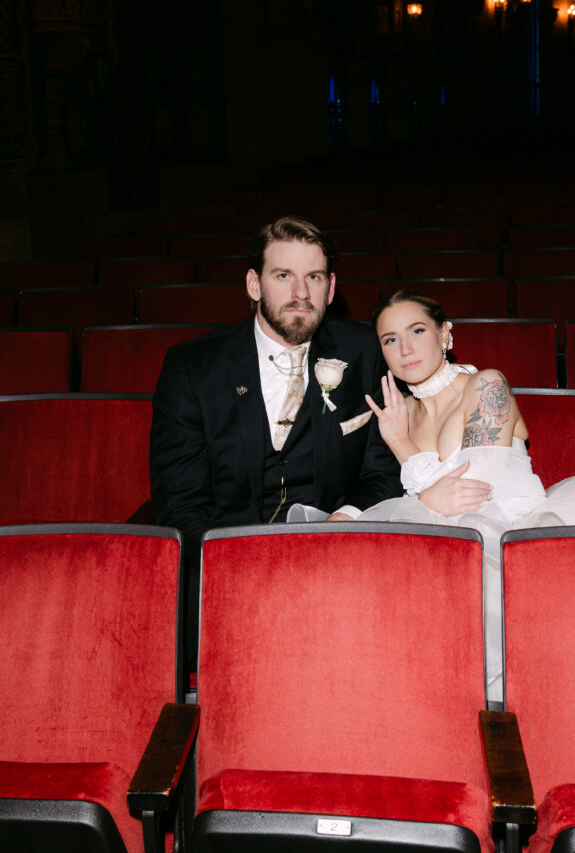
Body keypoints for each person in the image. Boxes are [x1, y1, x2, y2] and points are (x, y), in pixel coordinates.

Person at [294, 289, 575, 702]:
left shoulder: (486, 384)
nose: (405, 348)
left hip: (510, 538)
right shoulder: (398, 412)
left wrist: (402, 445)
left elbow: (469, 495)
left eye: (417, 330)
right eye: (390, 340)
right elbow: (404, 492)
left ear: (446, 334)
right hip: (447, 547)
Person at [150, 216, 402, 662]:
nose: (300, 293)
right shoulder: (192, 367)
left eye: (314, 277)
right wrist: (241, 570)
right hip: (224, 568)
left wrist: (344, 520)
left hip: (336, 561)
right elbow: (180, 502)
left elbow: (383, 472)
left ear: (330, 287)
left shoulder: (365, 352)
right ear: (254, 284)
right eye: (283, 276)